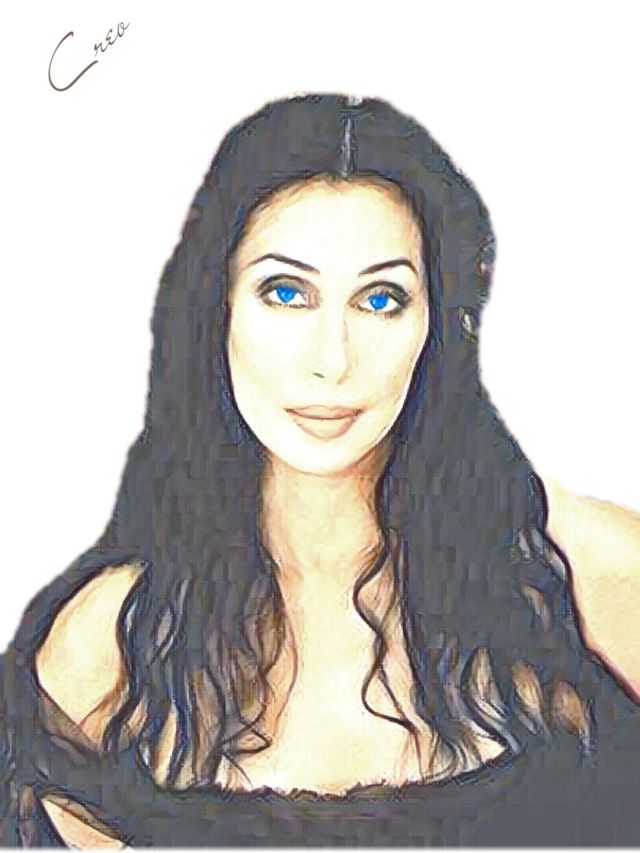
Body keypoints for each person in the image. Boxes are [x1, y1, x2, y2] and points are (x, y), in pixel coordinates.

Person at [1, 93, 639, 848]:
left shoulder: (593, 576)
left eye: (380, 299)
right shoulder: (107, 645)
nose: (332, 360)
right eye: (285, 293)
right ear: (216, 311)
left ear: (437, 324)